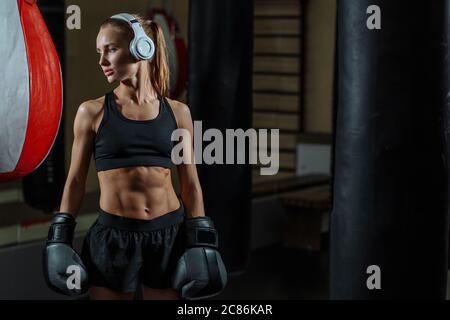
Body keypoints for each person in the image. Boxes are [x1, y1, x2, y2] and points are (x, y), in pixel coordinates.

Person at [42, 13, 227, 300]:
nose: (102, 61)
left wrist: (201, 239)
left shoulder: (178, 113)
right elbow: (75, 180)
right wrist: (59, 236)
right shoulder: (91, 112)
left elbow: (190, 183)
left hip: (168, 236)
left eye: (111, 49)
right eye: (99, 52)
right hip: (113, 238)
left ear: (143, 48)